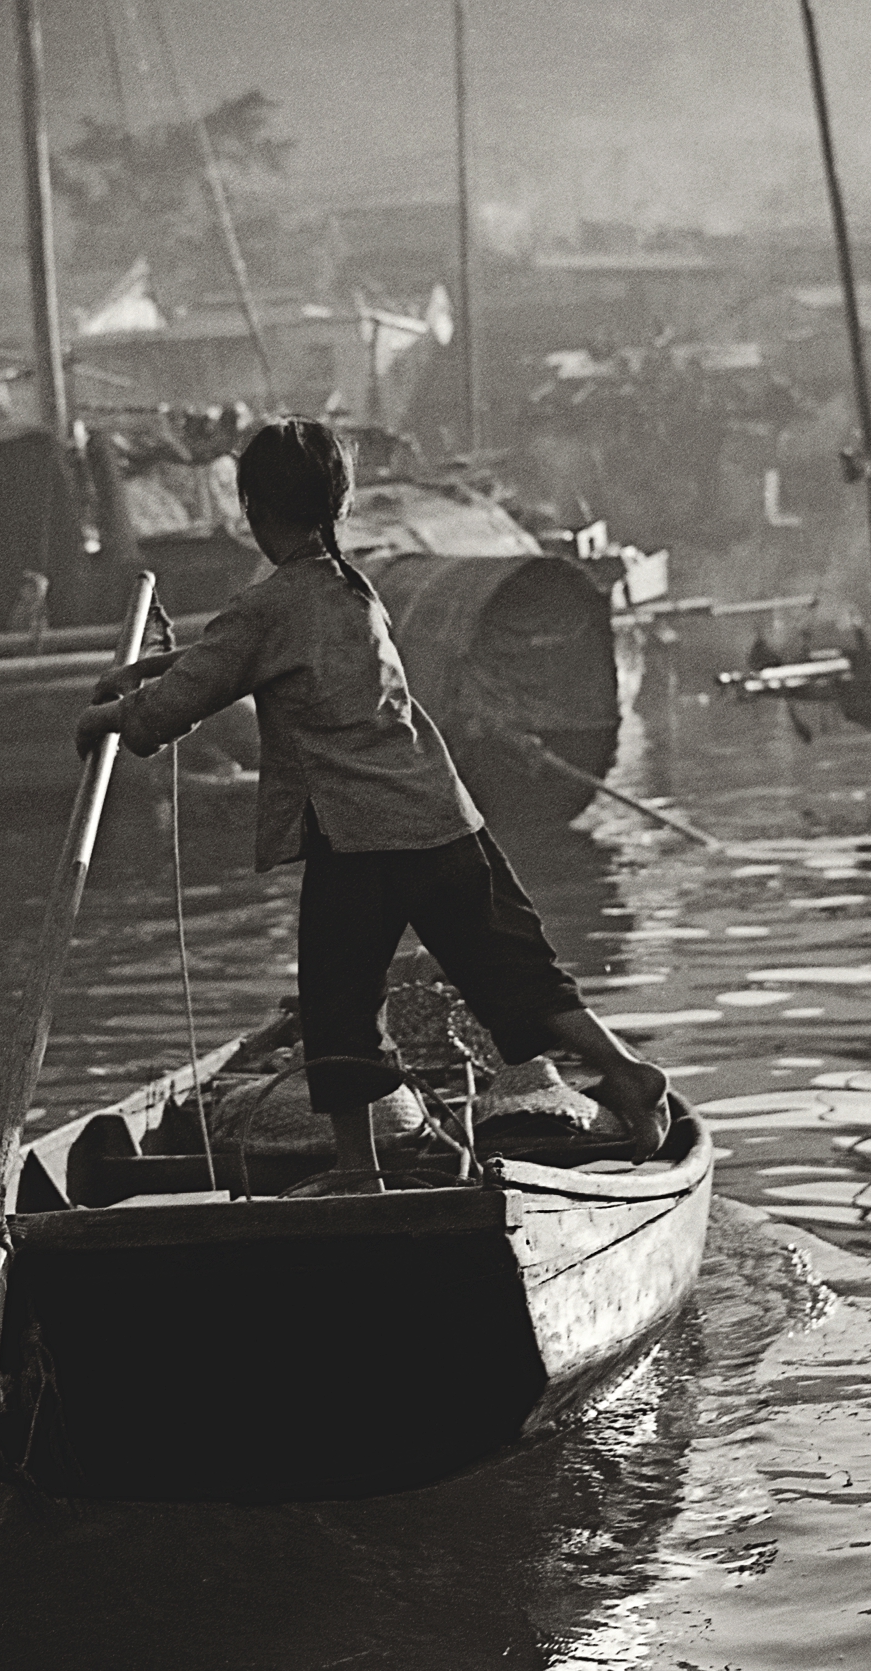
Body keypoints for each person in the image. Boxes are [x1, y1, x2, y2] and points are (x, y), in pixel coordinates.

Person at [77, 418, 669, 1187]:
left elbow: (170, 712)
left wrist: (108, 716)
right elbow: (237, 659)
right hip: (442, 817)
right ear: (340, 505)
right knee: (513, 969)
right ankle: (622, 1067)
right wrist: (159, 666)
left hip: (358, 838)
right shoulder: (349, 586)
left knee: (338, 1005)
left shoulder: (271, 605)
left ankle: (357, 1166)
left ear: (254, 510)